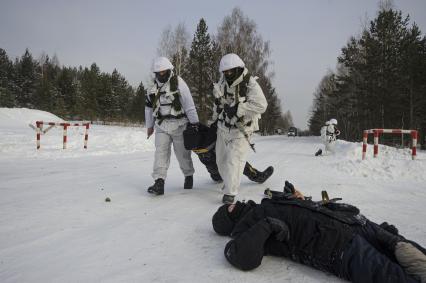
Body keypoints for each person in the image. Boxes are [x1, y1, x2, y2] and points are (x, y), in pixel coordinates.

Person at [212, 183, 426, 282]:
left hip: (354, 224)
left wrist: (296, 197)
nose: (237, 203)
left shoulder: (264, 204)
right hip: (337, 248)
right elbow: (242, 258)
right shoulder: (245, 231)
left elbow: (305, 210)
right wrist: (268, 225)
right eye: (230, 208)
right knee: (393, 276)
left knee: (409, 251)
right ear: (228, 220)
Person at [211, 53, 268, 204]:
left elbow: (262, 105)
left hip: (241, 130)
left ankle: (230, 192)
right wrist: (214, 118)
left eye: (230, 71)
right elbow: (218, 103)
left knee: (234, 161)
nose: (227, 74)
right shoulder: (222, 81)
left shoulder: (249, 84)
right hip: (223, 127)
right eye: (225, 72)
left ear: (238, 69)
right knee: (221, 161)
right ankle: (228, 182)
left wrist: (239, 108)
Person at [145, 57, 199, 195]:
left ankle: (188, 174)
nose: (161, 75)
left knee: (182, 154)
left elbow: (189, 104)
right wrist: (149, 126)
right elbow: (149, 108)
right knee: (160, 153)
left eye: (164, 72)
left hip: (179, 124)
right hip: (161, 125)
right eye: (158, 72)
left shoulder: (178, 83)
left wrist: (194, 124)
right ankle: (159, 182)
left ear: (169, 71)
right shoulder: (152, 87)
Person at [183, 122, 274, 183]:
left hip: (210, 165)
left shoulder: (189, 141)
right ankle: (257, 176)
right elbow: (216, 125)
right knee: (237, 159)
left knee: (212, 166)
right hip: (217, 156)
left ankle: (217, 177)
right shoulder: (208, 136)